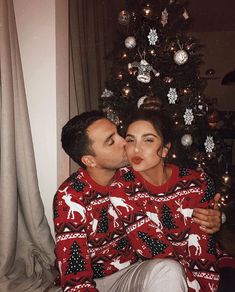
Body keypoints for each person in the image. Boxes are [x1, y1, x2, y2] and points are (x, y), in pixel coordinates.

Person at [53, 110, 221, 292]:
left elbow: (178, 198)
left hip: (133, 272)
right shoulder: (70, 197)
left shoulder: (132, 174)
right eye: (111, 141)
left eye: (119, 132)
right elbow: (75, 277)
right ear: (90, 160)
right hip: (96, 282)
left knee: (169, 270)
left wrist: (212, 216)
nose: (125, 142)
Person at [109, 109, 234, 291]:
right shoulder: (122, 187)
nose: (136, 149)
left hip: (208, 266)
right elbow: (154, 250)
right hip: (163, 272)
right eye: (130, 140)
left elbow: (202, 245)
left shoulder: (198, 182)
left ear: (165, 149)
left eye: (148, 140)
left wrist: (205, 287)